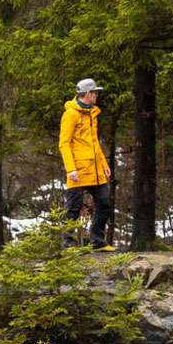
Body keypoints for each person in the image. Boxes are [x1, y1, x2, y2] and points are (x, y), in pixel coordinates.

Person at [59, 78, 113, 249]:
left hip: (95, 169)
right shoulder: (71, 114)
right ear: (88, 94)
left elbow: (94, 142)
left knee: (104, 204)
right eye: (96, 93)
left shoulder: (92, 114)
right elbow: (64, 143)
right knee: (72, 209)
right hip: (78, 170)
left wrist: (103, 164)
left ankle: (98, 242)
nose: (97, 96)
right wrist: (71, 169)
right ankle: (69, 245)